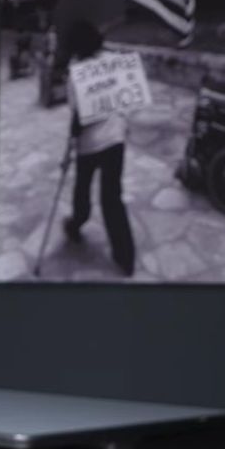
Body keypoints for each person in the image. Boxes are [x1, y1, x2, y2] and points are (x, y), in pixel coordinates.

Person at [62, 19, 137, 277]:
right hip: (116, 138)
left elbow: (78, 115)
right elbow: (127, 96)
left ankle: (77, 223)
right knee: (112, 198)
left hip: (90, 144)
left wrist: (73, 134)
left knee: (82, 188)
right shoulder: (113, 58)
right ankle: (126, 257)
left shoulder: (76, 70)